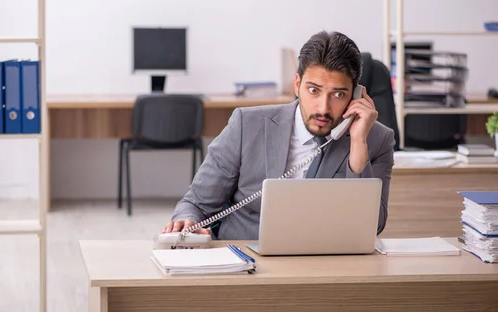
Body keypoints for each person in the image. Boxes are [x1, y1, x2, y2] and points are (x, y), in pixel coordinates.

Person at [163, 31, 396, 240]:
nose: (323, 108)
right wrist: (188, 220)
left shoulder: (377, 140)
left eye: (338, 94)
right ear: (297, 84)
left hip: (327, 265)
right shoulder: (247, 125)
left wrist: (357, 143)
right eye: (313, 90)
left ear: (356, 95)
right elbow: (195, 204)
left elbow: (373, 227)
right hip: (246, 260)